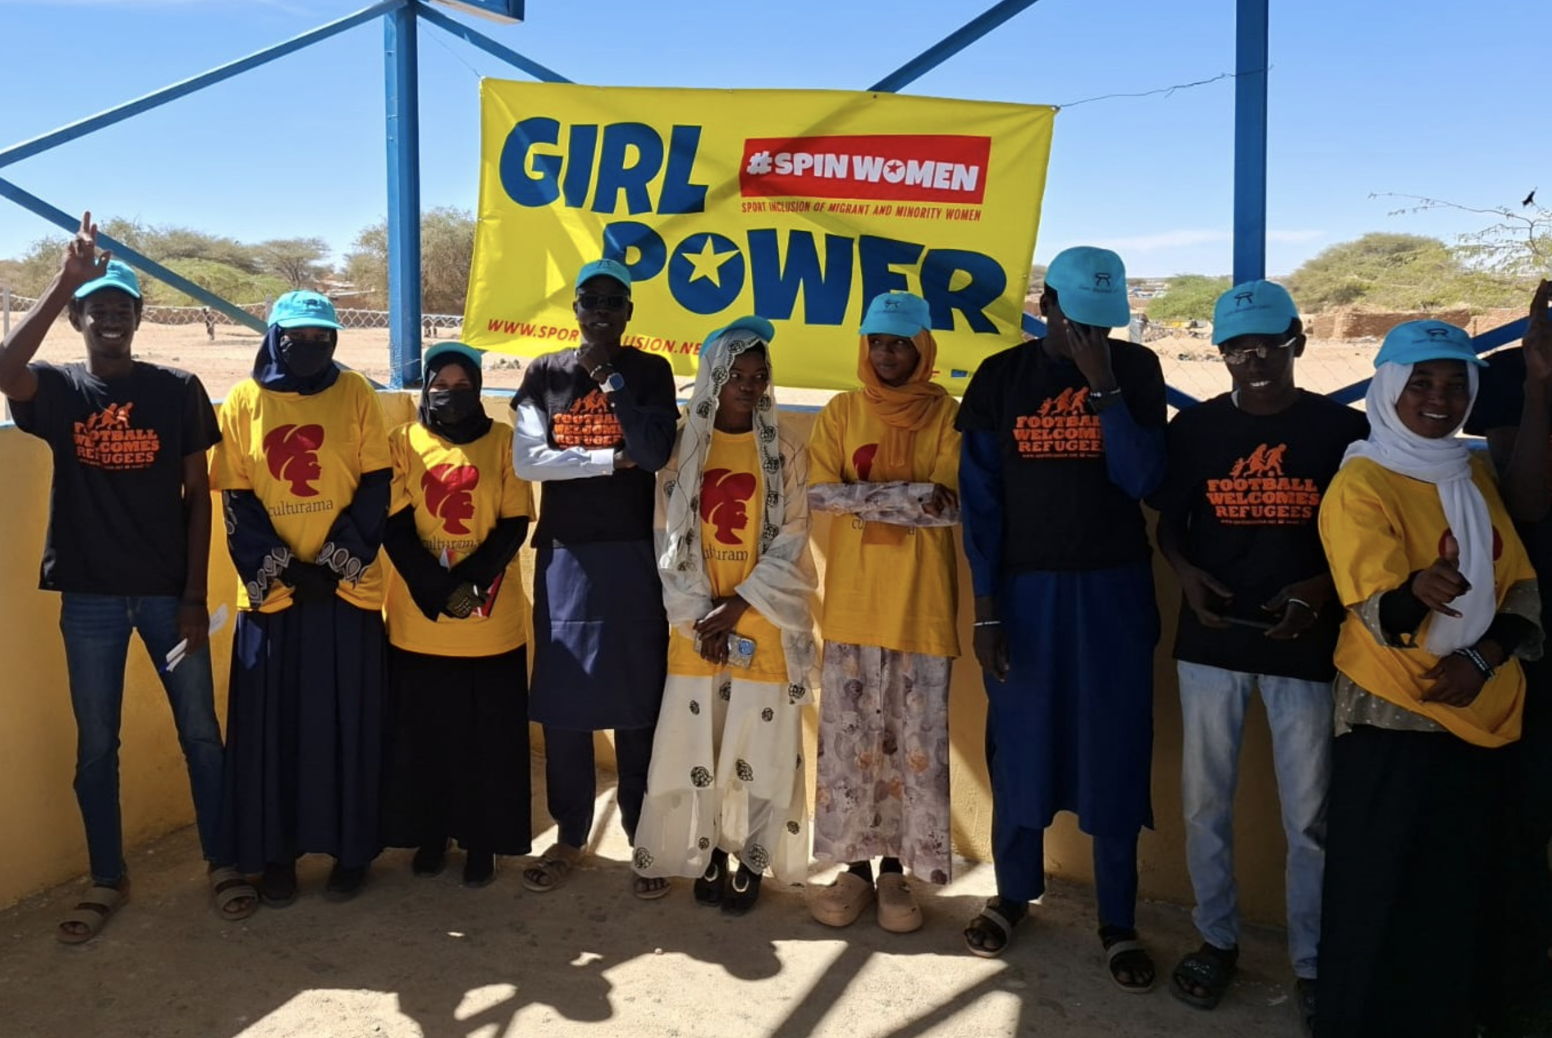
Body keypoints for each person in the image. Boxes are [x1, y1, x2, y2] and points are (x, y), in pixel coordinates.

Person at [0, 214, 253, 942]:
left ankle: (223, 861)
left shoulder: (177, 388)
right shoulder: (59, 389)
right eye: (97, 309)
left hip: (170, 596)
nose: (111, 318)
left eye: (123, 308)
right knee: (96, 747)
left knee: (201, 735)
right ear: (79, 319)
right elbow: (6, 372)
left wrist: (194, 595)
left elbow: (199, 496)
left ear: (139, 319)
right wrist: (64, 281)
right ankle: (107, 877)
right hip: (90, 600)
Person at [1316, 320, 1542, 1037]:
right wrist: (1417, 591)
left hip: (1481, 705)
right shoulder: (1362, 482)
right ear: (1387, 389)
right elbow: (1373, 605)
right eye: (1420, 383)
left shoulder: (1471, 475)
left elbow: (1519, 587)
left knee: (1455, 885)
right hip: (1394, 713)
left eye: (1454, 383)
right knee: (1381, 885)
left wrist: (1479, 659)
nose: (1439, 399)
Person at [1151, 281, 1367, 1029]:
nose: (1255, 361)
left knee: (1310, 816)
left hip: (1303, 644)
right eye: (1238, 349)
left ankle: (1312, 962)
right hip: (1213, 639)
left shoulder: (1343, 431)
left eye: (1269, 345)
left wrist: (1321, 588)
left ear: (1296, 342)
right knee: (1204, 803)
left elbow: (1366, 534)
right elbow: (1170, 525)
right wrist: (1186, 576)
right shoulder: (1196, 430)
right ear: (1221, 355)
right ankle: (1216, 940)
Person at [956, 246, 1166, 991]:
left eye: (1105, 326)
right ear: (1046, 307)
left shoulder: (1134, 370)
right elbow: (981, 504)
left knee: (1114, 749)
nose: (1092, 337)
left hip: (1114, 592)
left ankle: (1118, 920)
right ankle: (1013, 894)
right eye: (1080, 324)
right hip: (1026, 595)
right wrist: (987, 611)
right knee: (1022, 747)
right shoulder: (1001, 378)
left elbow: (1143, 479)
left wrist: (1103, 385)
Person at [630, 316, 818, 915]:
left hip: (762, 620)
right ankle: (708, 850)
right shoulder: (682, 450)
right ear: (713, 376)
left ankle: (752, 858)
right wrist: (698, 618)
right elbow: (666, 538)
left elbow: (794, 538)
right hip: (698, 627)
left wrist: (739, 606)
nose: (749, 386)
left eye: (759, 376)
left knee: (762, 751)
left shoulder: (786, 450)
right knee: (701, 747)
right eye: (737, 375)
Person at [210, 290, 391, 905]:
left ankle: (351, 852)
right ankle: (277, 855)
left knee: (348, 725)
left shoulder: (356, 392)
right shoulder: (243, 400)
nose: (311, 346)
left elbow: (376, 484)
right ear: (274, 336)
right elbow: (237, 498)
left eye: (322, 337)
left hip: (348, 595)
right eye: (298, 336)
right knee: (274, 733)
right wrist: (288, 570)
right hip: (274, 600)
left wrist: (334, 567)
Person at [510, 259, 678, 899]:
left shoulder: (650, 370)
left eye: (613, 301)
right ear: (575, 309)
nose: (601, 310)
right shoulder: (545, 372)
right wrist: (611, 459)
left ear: (629, 312)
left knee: (638, 701)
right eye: (590, 300)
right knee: (565, 704)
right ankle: (570, 835)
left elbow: (654, 452)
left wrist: (610, 381)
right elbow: (530, 461)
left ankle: (642, 836)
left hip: (634, 555)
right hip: (566, 556)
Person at [804, 291, 961, 933]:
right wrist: (911, 496)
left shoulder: (947, 415)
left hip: (922, 608)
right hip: (852, 605)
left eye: (900, 343)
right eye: (877, 342)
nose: (887, 354)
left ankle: (898, 873)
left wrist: (861, 496)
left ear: (923, 348)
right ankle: (853, 871)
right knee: (850, 750)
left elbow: (950, 505)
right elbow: (818, 494)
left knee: (912, 746)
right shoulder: (842, 411)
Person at [380, 342, 535, 887]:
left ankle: (482, 842)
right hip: (418, 625)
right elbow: (394, 524)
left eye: (463, 385)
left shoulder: (504, 442)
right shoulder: (403, 441)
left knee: (487, 741)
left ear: (478, 388)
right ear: (426, 389)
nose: (451, 394)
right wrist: (439, 590)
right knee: (425, 738)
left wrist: (470, 585)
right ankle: (430, 833)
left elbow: (514, 523)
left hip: (491, 627)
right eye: (440, 385)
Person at [1460, 278, 1552, 1020]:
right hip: (1534, 629)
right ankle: (1515, 990)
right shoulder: (1513, 374)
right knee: (1524, 819)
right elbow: (1527, 501)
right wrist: (1540, 385)